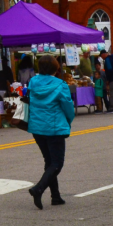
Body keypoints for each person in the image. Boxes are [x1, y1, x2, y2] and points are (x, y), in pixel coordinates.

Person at [26, 55, 74, 209]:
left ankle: (56, 196)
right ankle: (38, 189)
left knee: (49, 161)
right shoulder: (60, 84)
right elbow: (68, 107)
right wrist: (68, 120)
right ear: (56, 68)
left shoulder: (33, 82)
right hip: (54, 127)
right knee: (57, 163)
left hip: (37, 127)